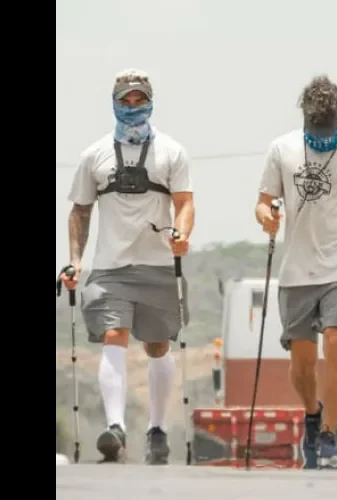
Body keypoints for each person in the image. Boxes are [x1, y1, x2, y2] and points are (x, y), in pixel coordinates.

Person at [60, 68, 194, 465]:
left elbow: (185, 203)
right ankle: (115, 427)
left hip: (157, 265)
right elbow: (80, 211)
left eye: (140, 100)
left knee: (157, 345)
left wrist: (182, 235)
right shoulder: (94, 155)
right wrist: (74, 262)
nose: (133, 107)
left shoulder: (172, 151)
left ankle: (156, 429)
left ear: (151, 101)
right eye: (126, 100)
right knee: (113, 333)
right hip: (110, 267)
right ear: (114, 103)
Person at [255, 74, 337, 470]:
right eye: (315, 130)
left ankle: (329, 435)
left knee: (335, 341)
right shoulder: (282, 149)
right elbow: (263, 201)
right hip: (296, 271)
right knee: (301, 364)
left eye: (327, 130)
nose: (321, 137)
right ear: (304, 119)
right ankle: (312, 414)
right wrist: (268, 217)